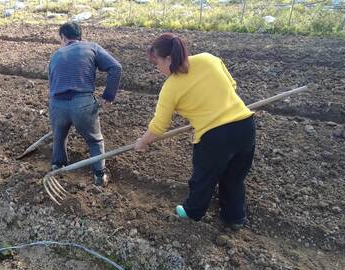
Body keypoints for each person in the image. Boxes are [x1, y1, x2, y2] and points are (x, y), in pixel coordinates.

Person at [134, 33, 255, 229]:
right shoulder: (209, 59)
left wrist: (143, 142)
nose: (158, 69)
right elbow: (231, 85)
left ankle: (191, 214)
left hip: (215, 137)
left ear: (169, 59)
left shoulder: (171, 87)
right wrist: (203, 111)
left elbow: (159, 126)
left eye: (157, 64)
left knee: (203, 179)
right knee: (234, 177)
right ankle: (235, 218)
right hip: (245, 125)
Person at [48, 22, 122, 186]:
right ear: (79, 36)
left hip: (56, 104)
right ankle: (99, 176)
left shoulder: (56, 55)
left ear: (64, 37)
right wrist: (108, 96)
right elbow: (116, 68)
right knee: (95, 140)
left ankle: (57, 166)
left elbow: (51, 83)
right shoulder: (92, 47)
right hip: (82, 104)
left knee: (59, 136)